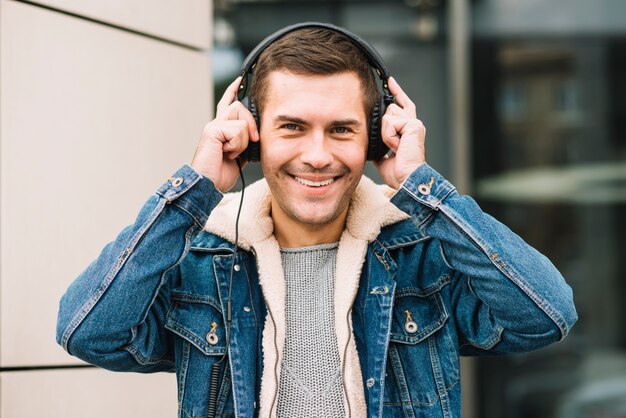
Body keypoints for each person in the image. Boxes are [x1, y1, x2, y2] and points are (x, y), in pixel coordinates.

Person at [56, 22, 577, 418]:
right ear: (254, 135)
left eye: (342, 130)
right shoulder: (201, 263)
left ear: (373, 139)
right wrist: (198, 188)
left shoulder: (422, 259)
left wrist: (420, 186)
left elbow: (545, 314)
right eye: (293, 127)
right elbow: (89, 331)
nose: (318, 154)